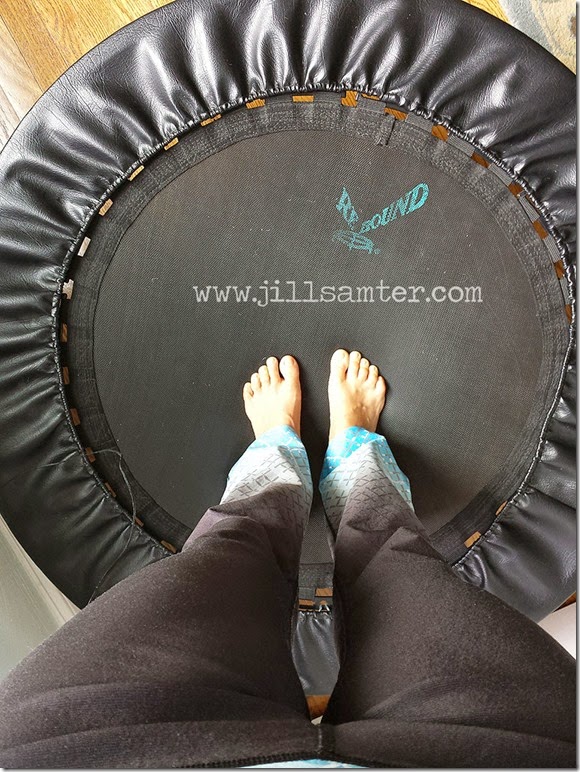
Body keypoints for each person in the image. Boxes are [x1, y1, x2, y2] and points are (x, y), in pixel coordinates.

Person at [0, 350, 575, 768]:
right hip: (502, 750)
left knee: (230, 548)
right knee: (395, 562)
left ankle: (277, 454)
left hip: (96, 749)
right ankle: (351, 461)